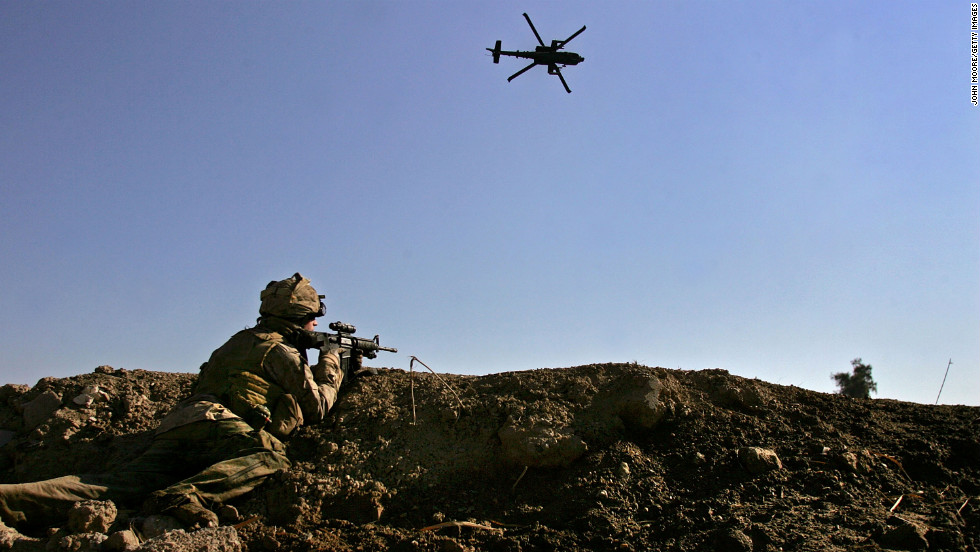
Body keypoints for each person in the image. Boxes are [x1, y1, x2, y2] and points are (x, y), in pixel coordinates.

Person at [0, 273, 354, 531]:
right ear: (302, 320)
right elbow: (317, 407)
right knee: (272, 457)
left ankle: (11, 497)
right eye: (312, 322)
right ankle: (184, 495)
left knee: (115, 484)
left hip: (180, 425)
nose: (313, 327)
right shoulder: (283, 352)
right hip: (223, 430)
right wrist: (332, 362)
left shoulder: (233, 343)